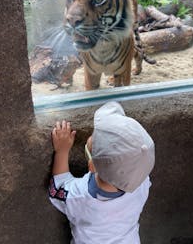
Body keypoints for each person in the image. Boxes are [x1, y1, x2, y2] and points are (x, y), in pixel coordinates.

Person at [49, 101, 155, 244]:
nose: (93, 135)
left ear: (92, 166)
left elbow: (56, 191)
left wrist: (62, 151)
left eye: (96, 136)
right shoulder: (141, 182)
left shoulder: (79, 196)